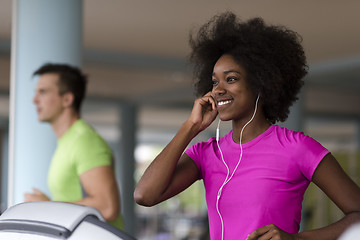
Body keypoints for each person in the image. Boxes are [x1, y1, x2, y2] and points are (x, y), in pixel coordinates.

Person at [134, 12, 360, 240]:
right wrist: (190, 127)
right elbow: (145, 195)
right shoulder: (207, 154)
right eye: (214, 82)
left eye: (231, 79)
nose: (218, 89)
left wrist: (297, 239)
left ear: (261, 82)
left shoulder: (297, 148)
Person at [24, 63, 123, 229]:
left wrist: (48, 207)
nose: (34, 100)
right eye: (36, 93)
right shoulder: (68, 141)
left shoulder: (85, 141)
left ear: (67, 99)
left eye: (43, 92)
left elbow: (107, 207)